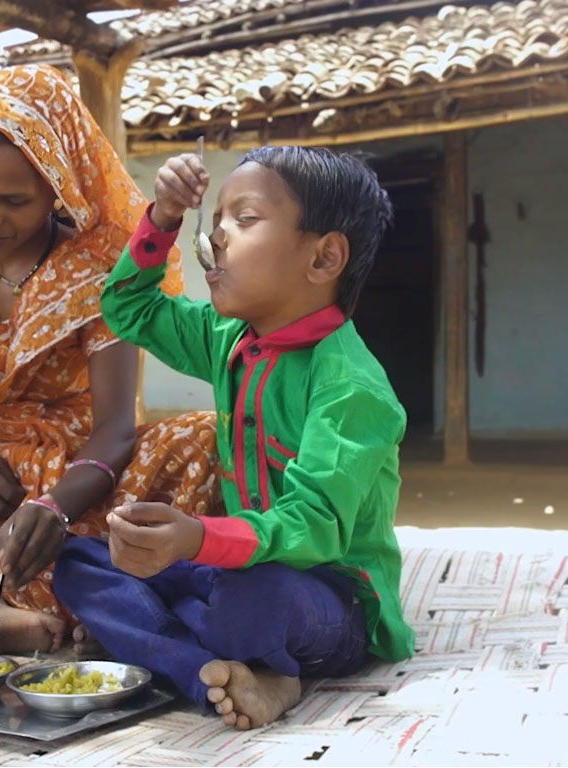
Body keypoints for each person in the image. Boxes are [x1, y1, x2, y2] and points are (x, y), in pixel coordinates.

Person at [53, 145, 416, 730]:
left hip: (326, 595)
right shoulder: (227, 337)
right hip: (230, 569)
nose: (217, 236)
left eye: (244, 220)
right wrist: (164, 217)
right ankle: (217, 667)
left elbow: (314, 525)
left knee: (251, 603)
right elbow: (128, 307)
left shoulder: (351, 387)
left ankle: (180, 651)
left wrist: (196, 536)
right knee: (78, 560)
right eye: (216, 219)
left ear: (324, 258)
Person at [0, 64, 220, 649]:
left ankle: (37, 589)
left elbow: (115, 431)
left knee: (206, 439)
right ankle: (53, 599)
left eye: (13, 199)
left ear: (57, 184)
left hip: (72, 475)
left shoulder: (95, 268)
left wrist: (54, 508)